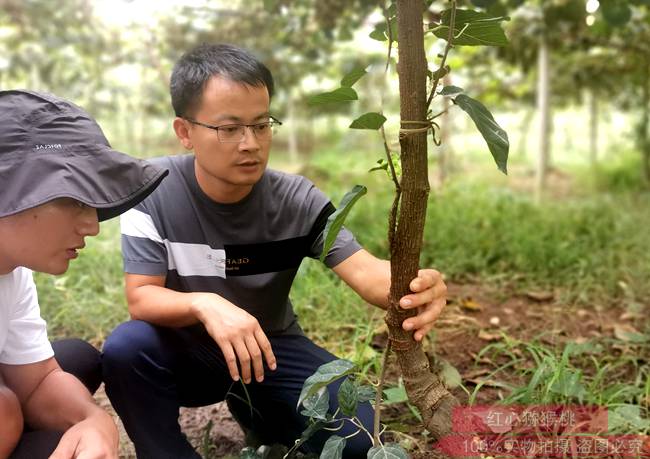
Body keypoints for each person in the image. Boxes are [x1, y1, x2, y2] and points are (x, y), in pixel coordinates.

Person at [102, 43, 448, 459]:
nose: (250, 143)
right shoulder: (151, 191)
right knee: (126, 347)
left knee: (360, 441)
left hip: (270, 348)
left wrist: (418, 286)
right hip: (183, 351)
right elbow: (141, 296)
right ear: (185, 132)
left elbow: (370, 276)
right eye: (229, 129)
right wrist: (207, 305)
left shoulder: (296, 198)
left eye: (262, 125)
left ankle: (261, 413)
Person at [0, 89, 168, 459]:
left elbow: (37, 381)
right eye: (74, 200)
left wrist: (96, 421)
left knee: (75, 360)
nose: (92, 226)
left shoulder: (11, 271)